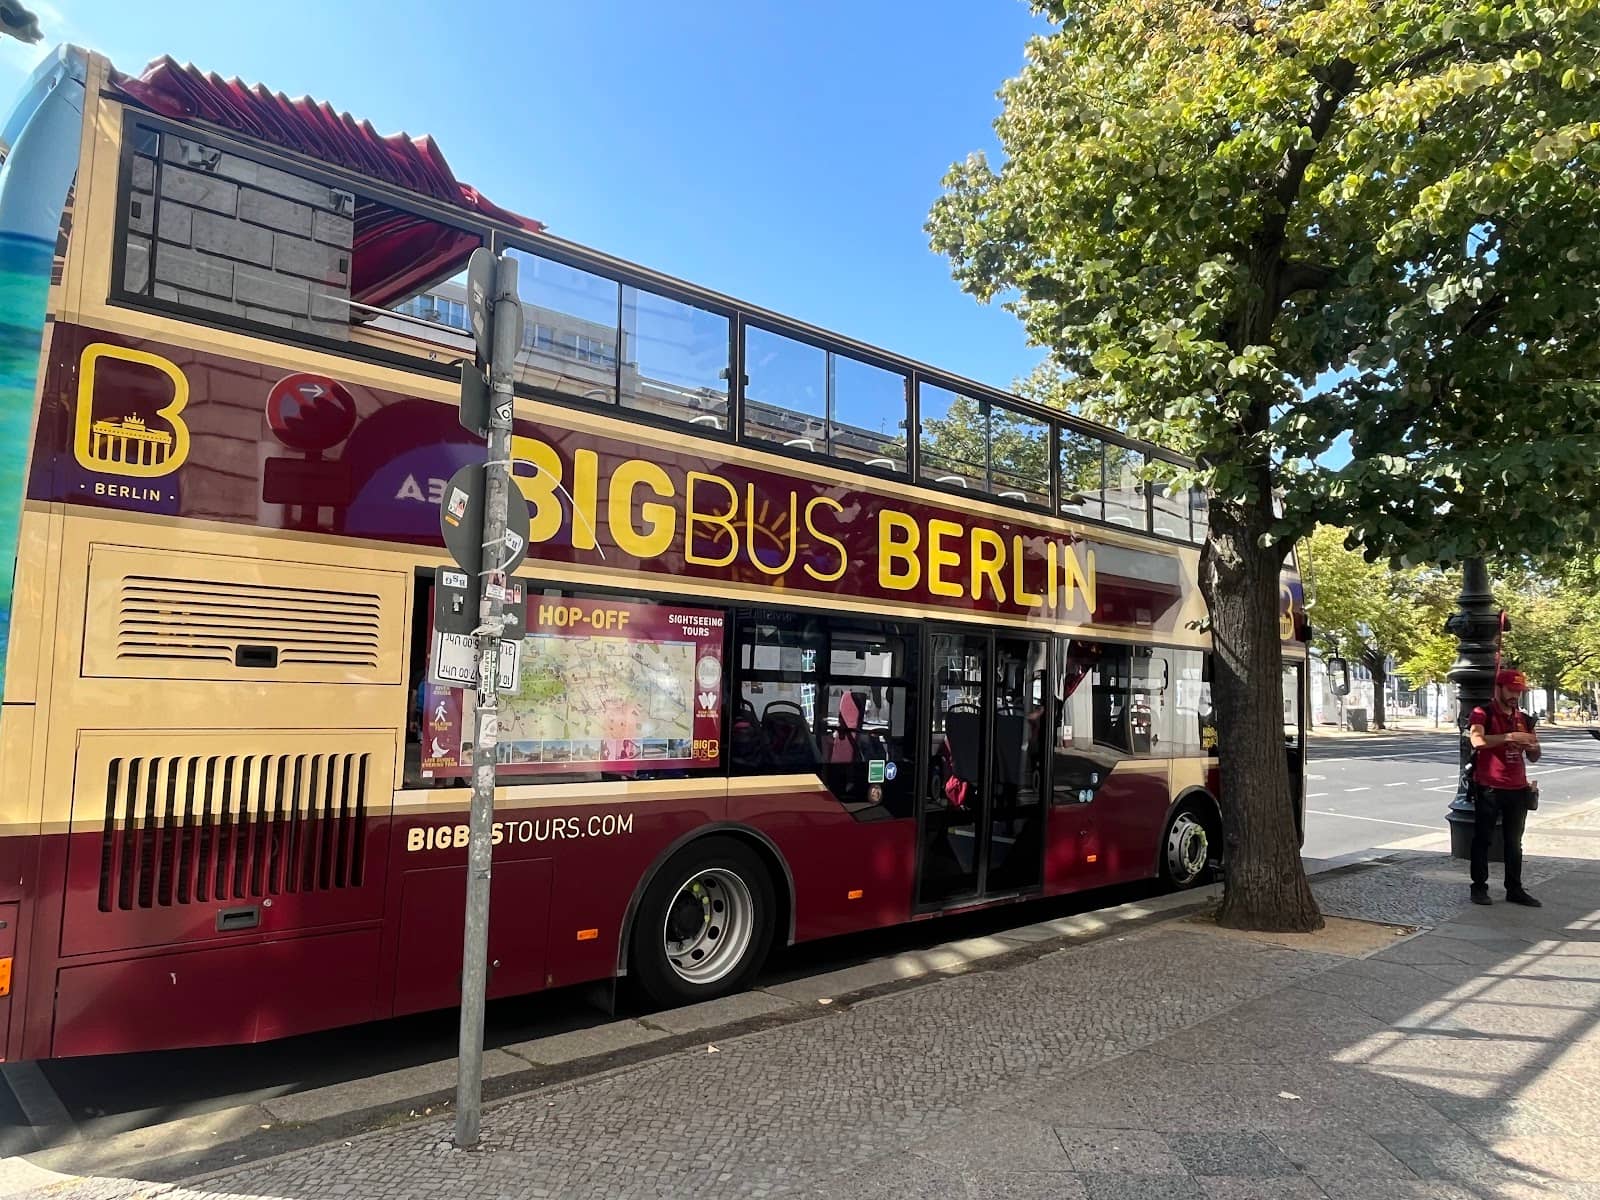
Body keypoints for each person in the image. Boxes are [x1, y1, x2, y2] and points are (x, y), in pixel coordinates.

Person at [1468, 669, 1542, 907]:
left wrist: (1532, 746)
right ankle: (1479, 887)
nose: (1515, 696)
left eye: (1519, 691)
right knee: (1483, 839)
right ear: (1498, 688)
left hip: (1518, 787)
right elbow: (1477, 741)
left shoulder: (1524, 718)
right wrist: (1509, 737)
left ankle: (1515, 888)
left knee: (1514, 841)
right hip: (1489, 786)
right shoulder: (1483, 713)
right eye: (1511, 690)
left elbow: (1535, 756)